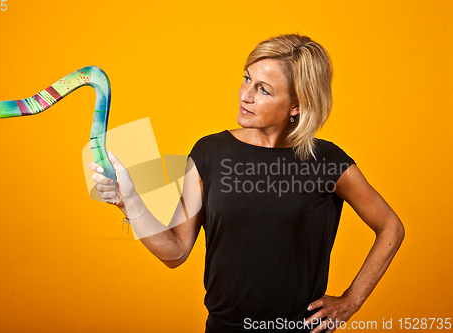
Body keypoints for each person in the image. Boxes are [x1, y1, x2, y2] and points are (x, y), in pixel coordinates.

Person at [89, 34, 405, 333]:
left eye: (264, 90)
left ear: (296, 105)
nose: (245, 95)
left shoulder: (327, 161)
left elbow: (391, 226)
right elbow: (175, 252)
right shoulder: (209, 153)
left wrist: (351, 302)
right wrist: (128, 200)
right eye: (246, 78)